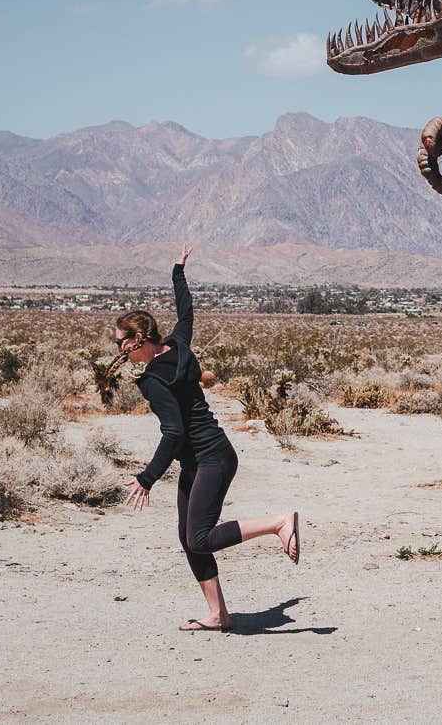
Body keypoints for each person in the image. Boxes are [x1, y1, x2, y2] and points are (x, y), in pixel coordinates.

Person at [114, 244, 300, 632]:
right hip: (201, 459)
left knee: (199, 536)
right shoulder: (178, 343)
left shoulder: (152, 379)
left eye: (120, 343)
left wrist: (147, 478)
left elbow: (174, 432)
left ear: (138, 340)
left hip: (211, 456)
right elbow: (186, 312)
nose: (117, 350)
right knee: (189, 537)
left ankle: (279, 522)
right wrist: (178, 272)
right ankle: (219, 614)